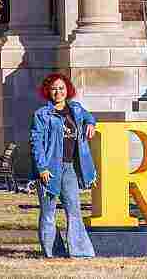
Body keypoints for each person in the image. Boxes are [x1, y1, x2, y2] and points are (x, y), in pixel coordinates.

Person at [29, 73, 97, 258]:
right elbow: (36, 143)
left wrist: (91, 122)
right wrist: (42, 168)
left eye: (61, 88)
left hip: (69, 168)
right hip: (49, 169)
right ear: (48, 92)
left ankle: (80, 252)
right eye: (54, 89)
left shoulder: (75, 109)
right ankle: (53, 253)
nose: (58, 92)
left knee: (74, 210)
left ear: (67, 90)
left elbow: (89, 116)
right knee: (48, 213)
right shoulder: (42, 115)